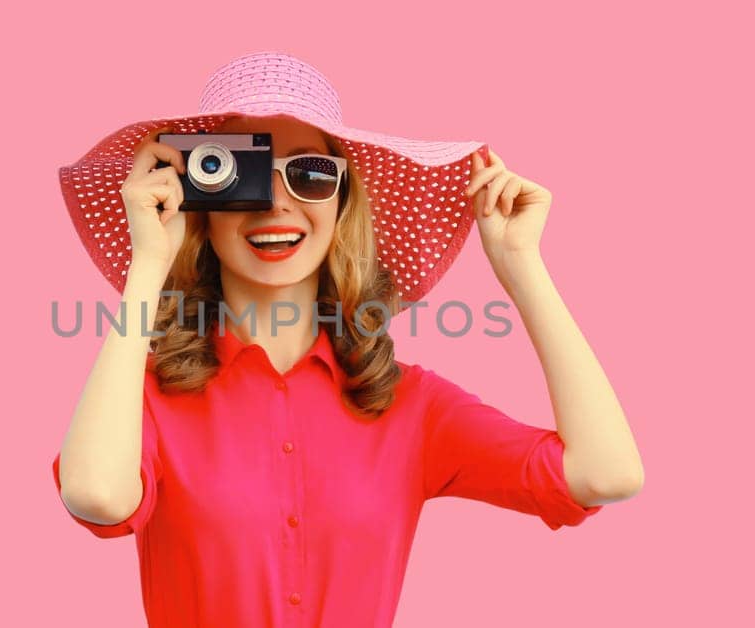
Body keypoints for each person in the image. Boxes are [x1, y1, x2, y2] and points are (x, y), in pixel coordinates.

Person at [52, 51, 643, 627]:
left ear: (342, 203)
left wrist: (521, 264)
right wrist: (150, 265)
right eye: (239, 174)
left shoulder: (412, 406)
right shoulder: (144, 401)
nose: (277, 203)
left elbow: (605, 474)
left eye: (311, 174)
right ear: (198, 203)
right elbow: (98, 496)